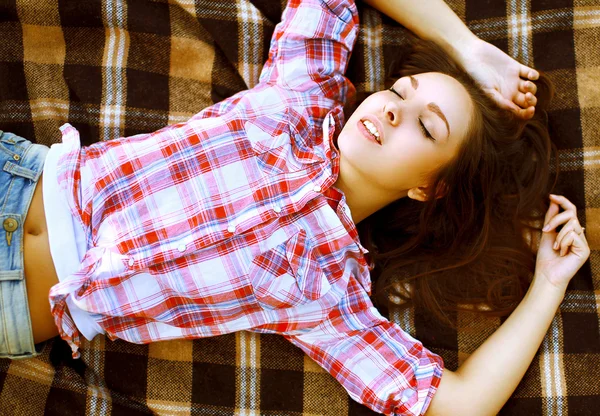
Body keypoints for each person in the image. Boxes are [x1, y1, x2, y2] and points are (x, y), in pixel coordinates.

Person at [0, 1, 589, 415]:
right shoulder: (302, 95)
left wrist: (549, 286)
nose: (390, 111)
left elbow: (456, 406)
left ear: (428, 189)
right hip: (17, 177)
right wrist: (468, 49)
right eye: (399, 94)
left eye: (424, 127)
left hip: (15, 306)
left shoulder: (330, 291)